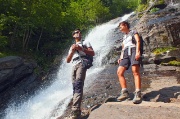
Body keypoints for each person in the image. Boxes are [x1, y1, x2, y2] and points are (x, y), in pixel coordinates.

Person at [66, 29, 95, 119]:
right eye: (76, 32)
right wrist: (72, 51)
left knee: (78, 84)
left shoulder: (85, 42)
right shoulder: (72, 46)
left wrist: (81, 49)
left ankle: (75, 110)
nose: (78, 33)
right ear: (73, 35)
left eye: (79, 32)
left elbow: (92, 53)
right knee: (75, 86)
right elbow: (68, 60)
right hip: (73, 66)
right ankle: (78, 111)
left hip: (81, 63)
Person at [117, 21, 142, 104]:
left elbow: (138, 41)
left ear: (125, 25)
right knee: (119, 72)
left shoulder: (133, 32)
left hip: (133, 50)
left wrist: (138, 52)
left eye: (120, 26)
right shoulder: (124, 37)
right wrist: (121, 57)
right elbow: (123, 47)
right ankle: (124, 92)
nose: (120, 28)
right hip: (125, 53)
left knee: (135, 71)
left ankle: (138, 93)